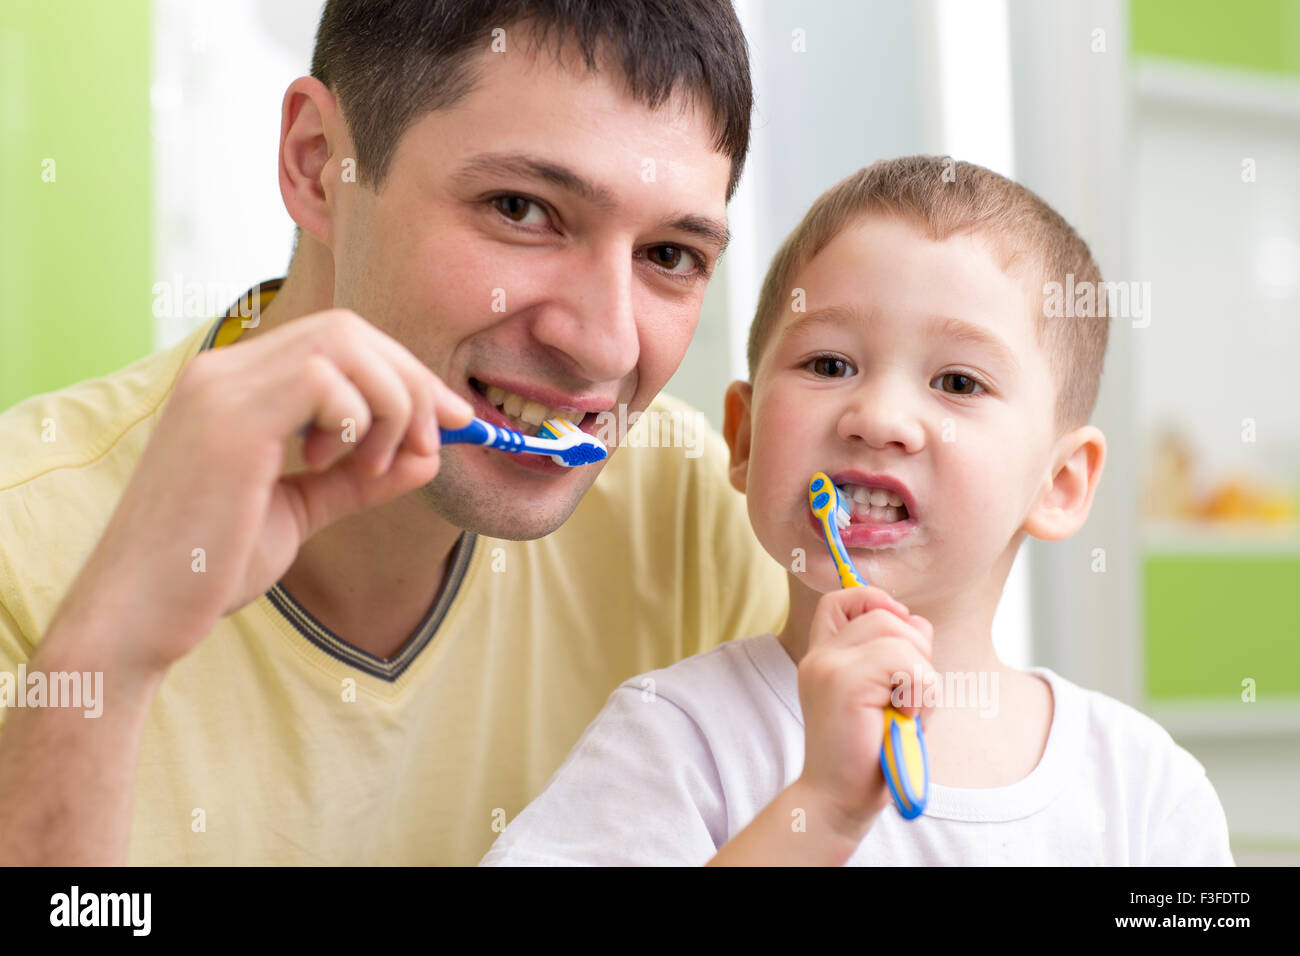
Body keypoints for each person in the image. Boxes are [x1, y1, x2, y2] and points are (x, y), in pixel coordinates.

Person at [0, 0, 787, 865]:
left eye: (670, 255)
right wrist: (111, 650)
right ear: (318, 165)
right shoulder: (21, 547)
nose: (606, 344)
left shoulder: (694, 517)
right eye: (521, 209)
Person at [479, 156, 1236, 866]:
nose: (878, 417)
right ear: (740, 439)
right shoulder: (677, 739)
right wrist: (822, 812)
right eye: (830, 364)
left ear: (1060, 482)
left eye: (959, 383)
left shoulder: (1145, 789)